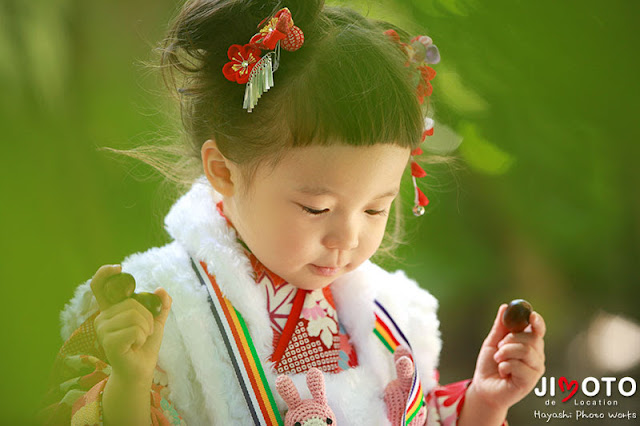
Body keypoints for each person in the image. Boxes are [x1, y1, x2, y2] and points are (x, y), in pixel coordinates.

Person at [42, 0, 546, 424]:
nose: (346, 237)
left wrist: (482, 402)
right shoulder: (151, 308)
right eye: (316, 207)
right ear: (223, 170)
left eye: (375, 209)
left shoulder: (397, 313)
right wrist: (129, 384)